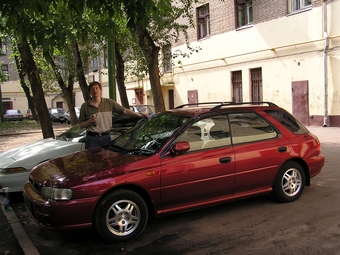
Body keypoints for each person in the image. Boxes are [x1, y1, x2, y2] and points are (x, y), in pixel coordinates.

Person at [79, 81, 148, 149]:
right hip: (92, 139)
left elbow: (125, 110)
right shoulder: (85, 106)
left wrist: (139, 115)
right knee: (93, 159)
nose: (95, 90)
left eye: (96, 88)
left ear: (101, 90)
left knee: (107, 159)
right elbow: (81, 125)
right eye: (92, 89)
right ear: (90, 92)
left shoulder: (109, 103)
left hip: (105, 137)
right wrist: (89, 121)